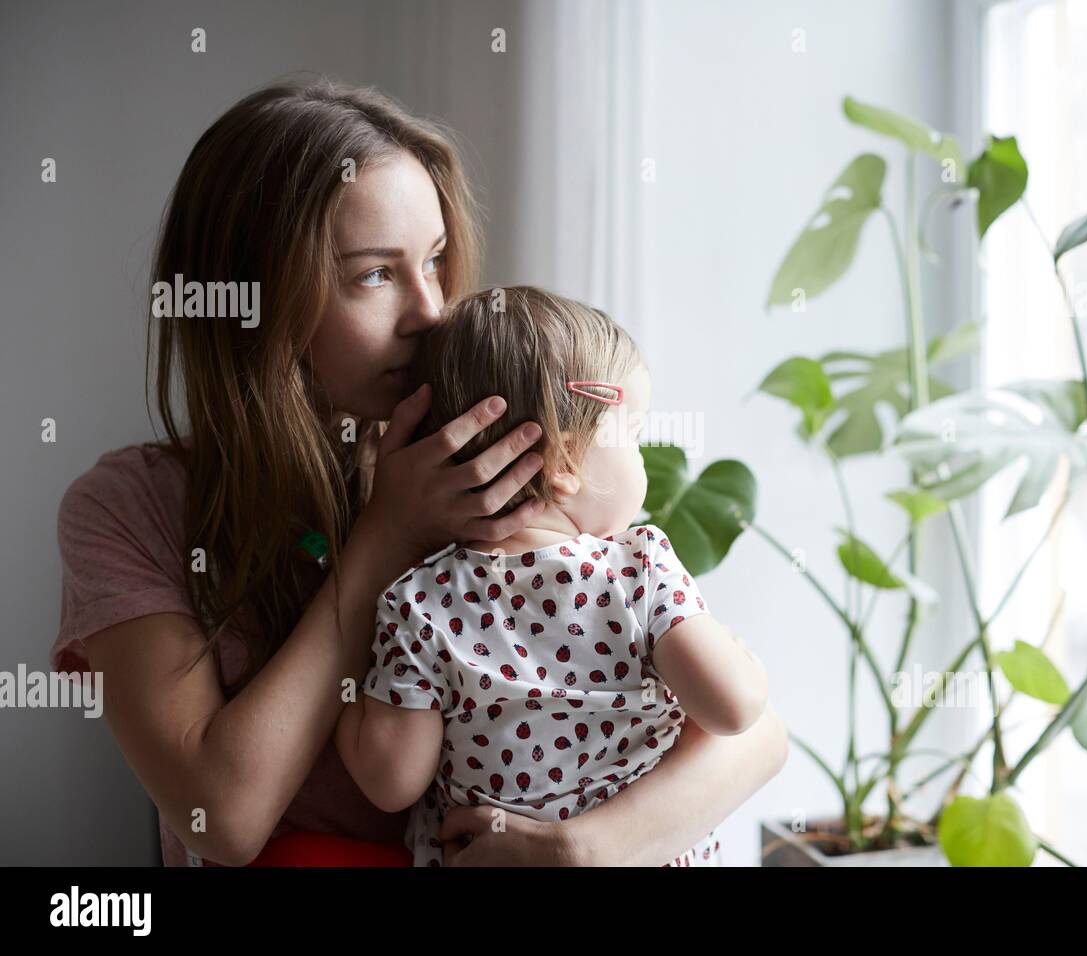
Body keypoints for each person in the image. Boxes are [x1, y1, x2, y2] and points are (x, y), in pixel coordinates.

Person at [51, 78, 788, 867]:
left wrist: (581, 849)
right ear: (253, 305)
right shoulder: (130, 510)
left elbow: (754, 730)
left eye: (435, 261)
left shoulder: (502, 452)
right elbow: (221, 817)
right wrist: (387, 538)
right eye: (375, 274)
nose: (431, 311)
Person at [335, 287, 770, 866]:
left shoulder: (420, 603)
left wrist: (345, 718)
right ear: (565, 463)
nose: (643, 459)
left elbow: (391, 780)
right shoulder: (640, 569)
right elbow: (733, 709)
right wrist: (744, 663)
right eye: (633, 435)